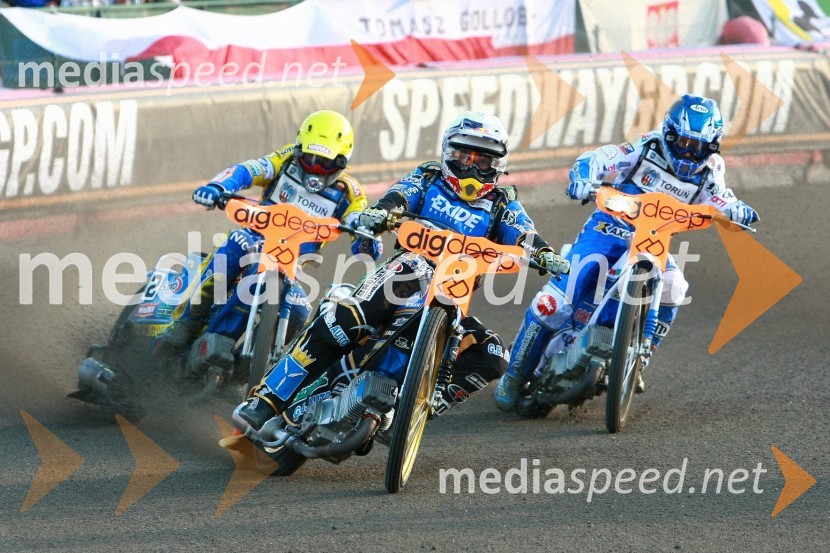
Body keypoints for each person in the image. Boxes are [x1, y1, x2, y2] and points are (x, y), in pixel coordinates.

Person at [230, 111, 570, 433]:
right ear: (447, 153)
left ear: (497, 164)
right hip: (408, 271)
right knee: (347, 316)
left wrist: (544, 253)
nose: (470, 167)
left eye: (481, 160)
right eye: (463, 156)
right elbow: (398, 197)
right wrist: (381, 214)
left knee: (493, 356)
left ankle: (421, 403)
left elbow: (523, 231)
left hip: (450, 299)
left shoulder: (501, 203)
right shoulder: (428, 177)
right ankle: (267, 399)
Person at [493, 93, 760, 412]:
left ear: (712, 146)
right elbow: (601, 158)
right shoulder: (646, 146)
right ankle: (513, 375)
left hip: (653, 240)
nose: (690, 153)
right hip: (609, 229)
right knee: (554, 303)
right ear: (669, 134)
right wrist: (583, 177)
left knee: (676, 287)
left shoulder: (711, 168)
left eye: (699, 146)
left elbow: (721, 198)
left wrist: (737, 210)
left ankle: (638, 356)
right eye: (684, 143)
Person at [158, 110, 378, 359]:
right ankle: (186, 322)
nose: (315, 168)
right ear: (298, 150)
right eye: (309, 158)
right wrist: (218, 187)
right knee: (236, 242)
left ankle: (249, 369)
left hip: (292, 263)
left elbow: (359, 222)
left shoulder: (350, 192)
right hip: (254, 237)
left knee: (300, 310)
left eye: (324, 163)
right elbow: (248, 170)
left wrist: (366, 238)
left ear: (341, 162)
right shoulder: (285, 161)